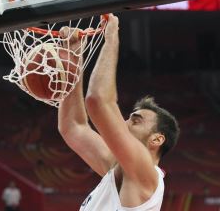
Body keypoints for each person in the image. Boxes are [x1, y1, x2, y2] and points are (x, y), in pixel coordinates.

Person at [58, 14, 180, 211]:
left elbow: (97, 100)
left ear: (157, 139)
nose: (123, 122)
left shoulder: (145, 172)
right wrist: (73, 56)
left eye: (136, 120)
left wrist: (112, 37)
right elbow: (72, 126)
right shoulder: (116, 167)